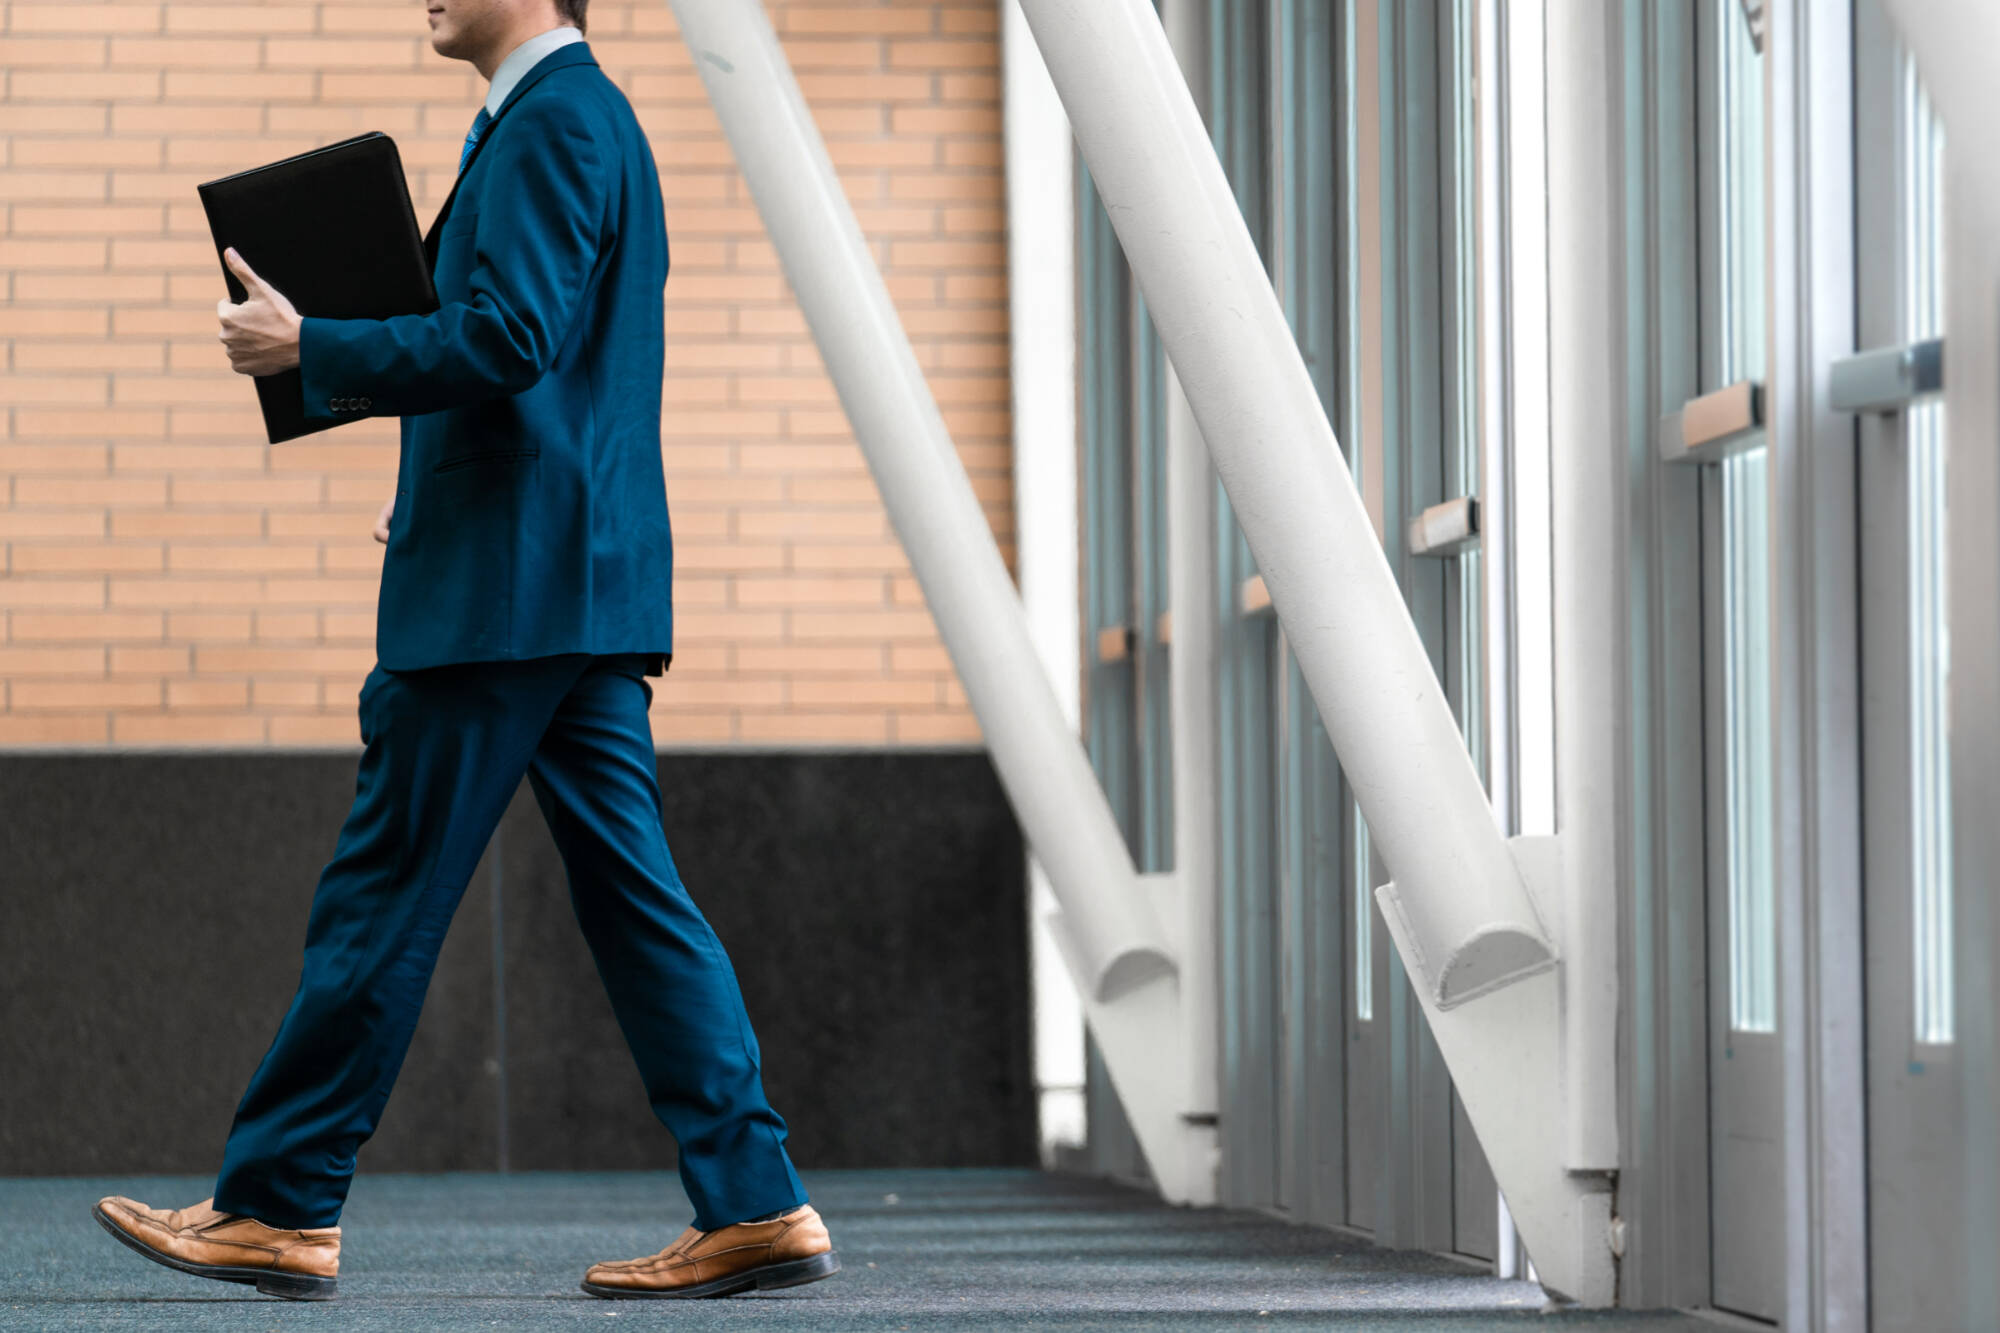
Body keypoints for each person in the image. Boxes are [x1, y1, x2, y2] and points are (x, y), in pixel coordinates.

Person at [91, 0, 837, 1303]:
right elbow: (559, 379)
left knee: (382, 890)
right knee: (634, 896)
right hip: (565, 580)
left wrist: (310, 345)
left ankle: (277, 1205)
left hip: (507, 602)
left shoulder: (554, 123)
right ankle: (757, 1199)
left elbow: (508, 339)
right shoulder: (568, 119)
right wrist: (435, 482)